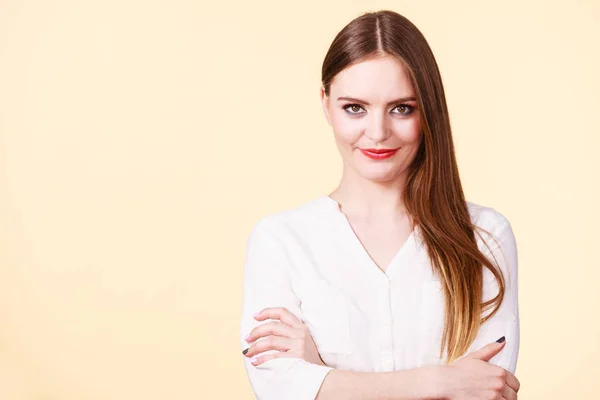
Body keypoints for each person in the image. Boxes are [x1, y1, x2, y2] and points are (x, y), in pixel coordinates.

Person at [239, 9, 520, 400]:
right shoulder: (280, 240)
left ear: (429, 110)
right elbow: (278, 389)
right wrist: (439, 381)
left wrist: (322, 375)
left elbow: (486, 389)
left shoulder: (484, 236)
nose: (377, 132)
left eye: (402, 108)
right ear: (325, 103)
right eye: (354, 107)